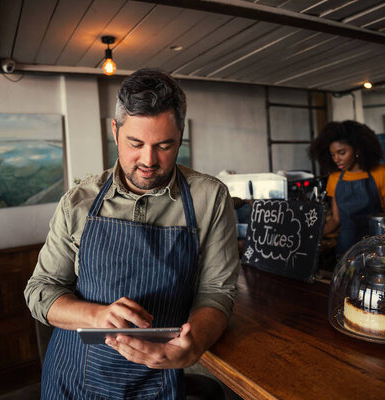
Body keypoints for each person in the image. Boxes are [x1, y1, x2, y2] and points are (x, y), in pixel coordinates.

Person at [24, 68, 240, 399]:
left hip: (157, 381)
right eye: (135, 143)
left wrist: (192, 345)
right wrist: (98, 315)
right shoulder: (79, 201)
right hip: (73, 378)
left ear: (180, 135)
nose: (148, 160)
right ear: (115, 131)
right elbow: (40, 291)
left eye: (165, 145)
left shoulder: (209, 198)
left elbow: (217, 292)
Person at [309, 120, 385, 256]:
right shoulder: (334, 178)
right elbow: (335, 220)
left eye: (342, 152)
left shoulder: (381, 173)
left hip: (377, 247)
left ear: (357, 149)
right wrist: (312, 235)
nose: (336, 159)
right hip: (346, 249)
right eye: (333, 155)